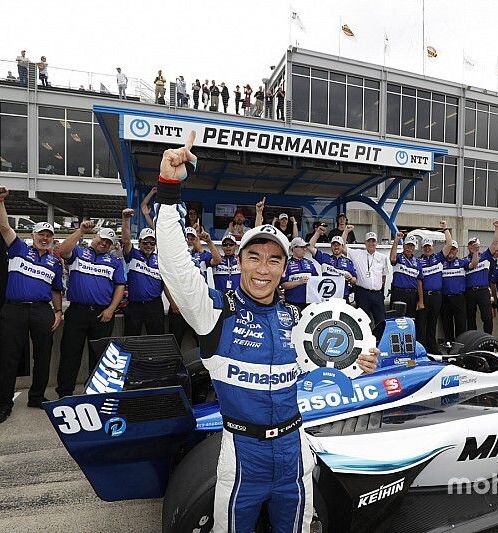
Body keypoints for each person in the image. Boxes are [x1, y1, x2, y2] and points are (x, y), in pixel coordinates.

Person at [154, 131, 379, 531]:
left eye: (274, 259)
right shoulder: (214, 312)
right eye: (253, 257)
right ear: (239, 261)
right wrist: (169, 192)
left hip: (295, 449)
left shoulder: (296, 318)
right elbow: (174, 265)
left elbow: (321, 369)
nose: (263, 268)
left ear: (284, 268)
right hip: (242, 453)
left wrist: (359, 363)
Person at [0, 186, 63, 424]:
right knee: (9, 356)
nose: (44, 239)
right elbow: (3, 227)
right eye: (41, 235)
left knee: (43, 356)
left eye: (48, 236)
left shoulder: (54, 262)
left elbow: (55, 289)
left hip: (42, 310)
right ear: (33, 236)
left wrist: (59, 311)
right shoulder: (18, 248)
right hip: (14, 309)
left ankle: (37, 396)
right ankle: (3, 403)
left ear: (53, 240)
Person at [56, 222, 126, 398]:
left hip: (102, 314)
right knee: (70, 353)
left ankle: (94, 392)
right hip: (77, 311)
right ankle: (65, 393)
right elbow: (63, 251)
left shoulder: (114, 262)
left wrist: (111, 309)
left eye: (109, 242)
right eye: (102, 239)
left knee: (99, 355)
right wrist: (80, 231)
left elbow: (120, 286)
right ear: (95, 237)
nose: (104, 243)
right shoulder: (79, 252)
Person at [120, 208, 165, 336]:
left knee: (157, 338)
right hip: (135, 305)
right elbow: (126, 241)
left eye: (152, 243)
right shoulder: (132, 254)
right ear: (139, 243)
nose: (149, 245)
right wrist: (125, 219)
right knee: (131, 338)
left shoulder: (160, 259)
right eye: (145, 242)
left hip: (155, 305)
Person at [417, 223, 454, 354]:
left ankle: (432, 349)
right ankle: (421, 350)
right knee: (421, 324)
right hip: (424, 296)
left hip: (437, 296)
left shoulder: (439, 257)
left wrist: (445, 229)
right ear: (422, 248)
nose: (427, 249)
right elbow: (418, 281)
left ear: (433, 247)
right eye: (425, 247)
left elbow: (449, 244)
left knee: (433, 324)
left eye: (429, 246)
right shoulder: (418, 262)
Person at [343, 229, 389, 325]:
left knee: (381, 322)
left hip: (377, 295)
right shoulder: (357, 254)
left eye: (373, 241)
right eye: (369, 241)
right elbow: (342, 248)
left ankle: (379, 340)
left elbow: (384, 276)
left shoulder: (382, 257)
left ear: (377, 243)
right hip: (362, 294)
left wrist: (380, 291)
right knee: (363, 323)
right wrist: (346, 232)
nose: (371, 243)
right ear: (365, 242)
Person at [464, 221, 498, 334]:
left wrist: (497, 228)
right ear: (468, 246)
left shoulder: (485, 256)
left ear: (479, 246)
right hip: (469, 292)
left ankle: (488, 342)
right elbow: (473, 264)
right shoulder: (464, 260)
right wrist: (475, 253)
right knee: (470, 318)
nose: (472, 246)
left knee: (487, 317)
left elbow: (494, 244)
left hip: (483, 291)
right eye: (471, 244)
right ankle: (473, 342)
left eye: (475, 245)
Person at [440, 241, 478, 343]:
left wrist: (475, 252)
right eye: (449, 249)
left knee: (461, 323)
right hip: (444, 298)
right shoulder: (440, 263)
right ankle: (449, 345)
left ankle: (460, 344)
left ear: (457, 251)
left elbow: (473, 264)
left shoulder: (462, 262)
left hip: (459, 297)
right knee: (446, 323)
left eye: (453, 249)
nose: (451, 251)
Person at [307, 228, 357, 301]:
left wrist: (350, 278)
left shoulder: (348, 262)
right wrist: (317, 233)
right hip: (327, 296)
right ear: (331, 247)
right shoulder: (324, 258)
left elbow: (354, 280)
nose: (336, 247)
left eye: (338, 245)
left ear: (342, 246)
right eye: (334, 245)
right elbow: (310, 247)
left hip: (343, 295)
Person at [389, 232, 423, 333]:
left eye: (412, 246)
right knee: (396, 320)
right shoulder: (399, 257)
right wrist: (396, 240)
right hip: (398, 293)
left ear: (414, 248)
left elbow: (419, 282)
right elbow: (392, 259)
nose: (409, 248)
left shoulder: (417, 262)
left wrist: (420, 301)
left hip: (412, 295)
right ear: (404, 246)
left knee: (410, 320)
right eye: (407, 245)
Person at [280, 237, 318, 311]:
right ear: (294, 248)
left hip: (309, 303)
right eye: (302, 247)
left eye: (305, 247)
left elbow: (316, 281)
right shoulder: (286, 264)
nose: (305, 249)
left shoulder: (310, 263)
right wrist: (298, 282)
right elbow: (283, 285)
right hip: (292, 303)